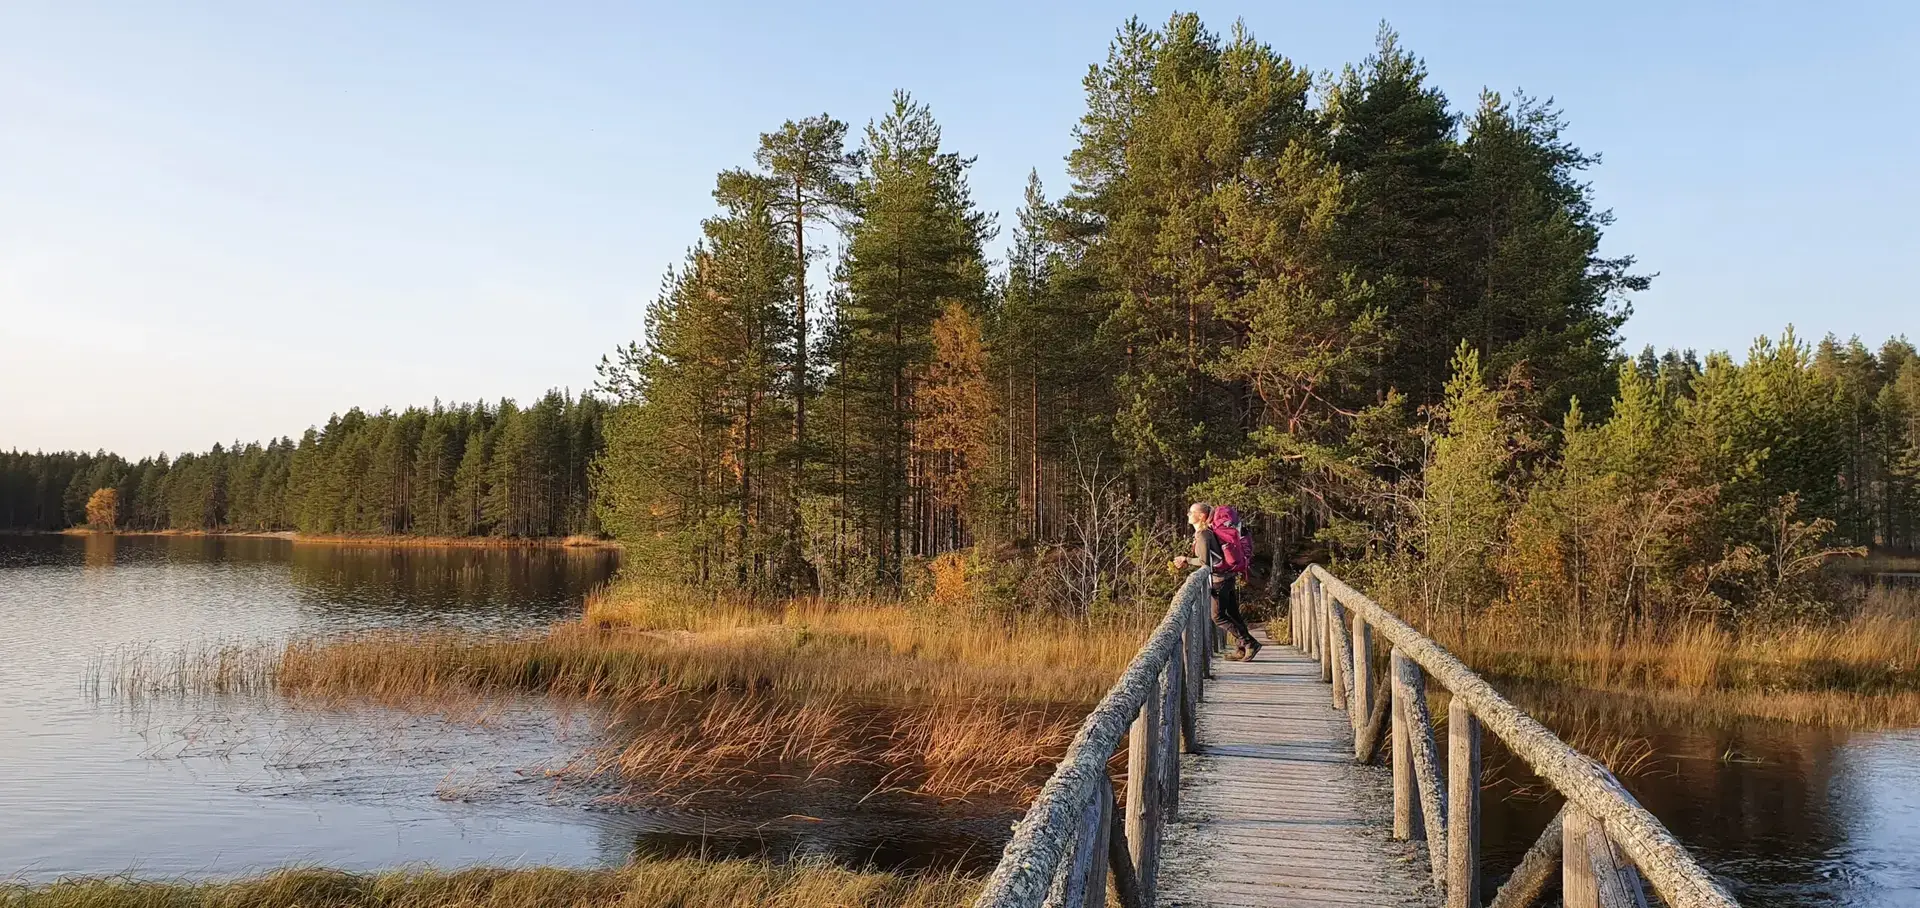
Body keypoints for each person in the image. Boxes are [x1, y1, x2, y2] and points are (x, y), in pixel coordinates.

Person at [1174, 502, 1260, 661]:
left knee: (1218, 617)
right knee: (1233, 613)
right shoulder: (1209, 531)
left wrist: (1186, 560)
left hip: (1219, 580)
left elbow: (1205, 561)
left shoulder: (1203, 534)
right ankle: (1241, 648)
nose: (1187, 514)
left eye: (1191, 512)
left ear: (1201, 516)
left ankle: (1249, 642)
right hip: (1228, 576)